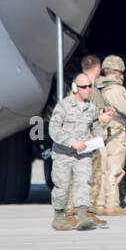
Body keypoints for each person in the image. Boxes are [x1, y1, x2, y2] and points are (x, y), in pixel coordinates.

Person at [49, 72, 112, 230]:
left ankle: (82, 215)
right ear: (75, 88)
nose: (88, 89)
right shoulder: (63, 106)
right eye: (84, 87)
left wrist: (96, 138)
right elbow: (53, 129)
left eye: (90, 86)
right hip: (63, 154)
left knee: (83, 183)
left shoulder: (91, 108)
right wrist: (72, 142)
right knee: (62, 187)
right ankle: (58, 217)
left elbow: (95, 126)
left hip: (83, 154)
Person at [93, 55, 126, 215]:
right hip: (115, 131)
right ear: (120, 72)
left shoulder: (95, 87)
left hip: (98, 131)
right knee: (114, 168)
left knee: (101, 167)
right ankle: (112, 204)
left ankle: (99, 204)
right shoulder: (117, 89)